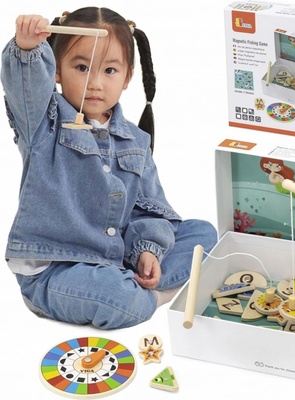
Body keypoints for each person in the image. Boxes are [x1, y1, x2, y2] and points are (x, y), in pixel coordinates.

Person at [1, 8, 217, 329]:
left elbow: (149, 207)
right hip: (56, 270)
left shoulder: (136, 140)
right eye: (82, 67)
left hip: (116, 254)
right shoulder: (43, 124)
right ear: (56, 70)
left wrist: (148, 252)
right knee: (119, 295)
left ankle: (137, 284)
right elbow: (25, 87)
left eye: (110, 70)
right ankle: (148, 297)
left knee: (202, 233)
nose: (95, 83)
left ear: (127, 77)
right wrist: (28, 49)